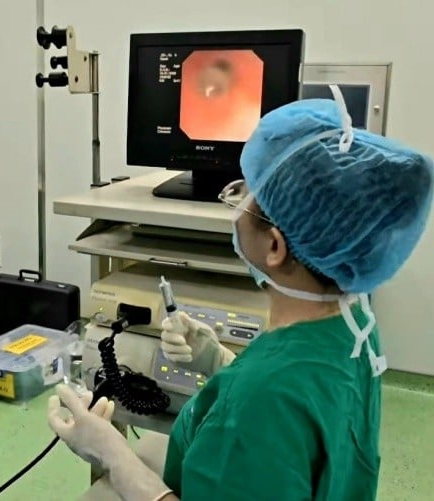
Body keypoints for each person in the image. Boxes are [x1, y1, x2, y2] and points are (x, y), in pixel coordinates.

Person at [47, 87, 433, 500]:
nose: (235, 203)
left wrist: (112, 453)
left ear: (275, 246)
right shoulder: (356, 326)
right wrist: (217, 361)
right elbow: (300, 411)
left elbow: (268, 403)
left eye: (247, 194)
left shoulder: (257, 399)